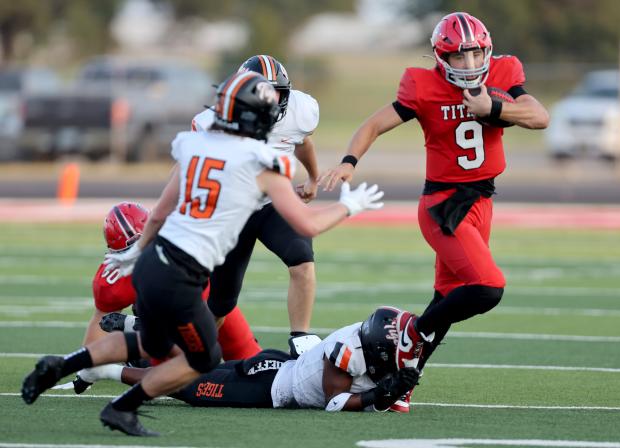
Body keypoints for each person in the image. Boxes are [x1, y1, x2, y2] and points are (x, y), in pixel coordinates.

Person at [21, 70, 384, 437]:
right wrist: (349, 207)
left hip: (153, 263)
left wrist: (137, 254)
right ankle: (121, 406)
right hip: (183, 275)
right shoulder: (262, 164)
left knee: (152, 342)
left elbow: (160, 212)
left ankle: (65, 364)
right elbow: (307, 225)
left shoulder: (196, 146)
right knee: (203, 359)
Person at [319, 12, 549, 412]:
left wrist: (492, 106)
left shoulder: (504, 72)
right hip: (444, 205)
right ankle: (411, 331)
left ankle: (399, 385)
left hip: (482, 202)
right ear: (441, 57)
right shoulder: (422, 84)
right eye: (459, 57)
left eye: (476, 53)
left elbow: (539, 116)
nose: (470, 63)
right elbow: (374, 124)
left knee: (447, 298)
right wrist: (349, 161)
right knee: (487, 287)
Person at [192, 55, 323, 356]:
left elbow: (302, 141)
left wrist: (314, 178)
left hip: (273, 203)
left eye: (275, 91)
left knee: (302, 260)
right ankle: (188, 358)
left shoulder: (299, 111)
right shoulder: (213, 122)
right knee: (221, 302)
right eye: (260, 91)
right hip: (231, 211)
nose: (269, 99)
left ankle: (301, 340)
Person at [62, 201, 262, 395]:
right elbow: (98, 328)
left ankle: (137, 339)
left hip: (210, 309)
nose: (139, 254)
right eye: (130, 251)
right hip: (171, 325)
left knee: (255, 369)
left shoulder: (181, 253)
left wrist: (133, 325)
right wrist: (85, 368)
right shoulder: (115, 279)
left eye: (143, 244)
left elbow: (201, 320)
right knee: (184, 380)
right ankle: (139, 360)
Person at [74, 307, 420, 412]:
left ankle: (140, 327)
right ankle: (103, 368)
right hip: (268, 385)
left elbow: (395, 406)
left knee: (194, 366)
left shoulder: (378, 348)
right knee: (187, 384)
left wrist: (389, 393)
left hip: (278, 368)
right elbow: (336, 403)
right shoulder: (346, 351)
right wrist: (379, 395)